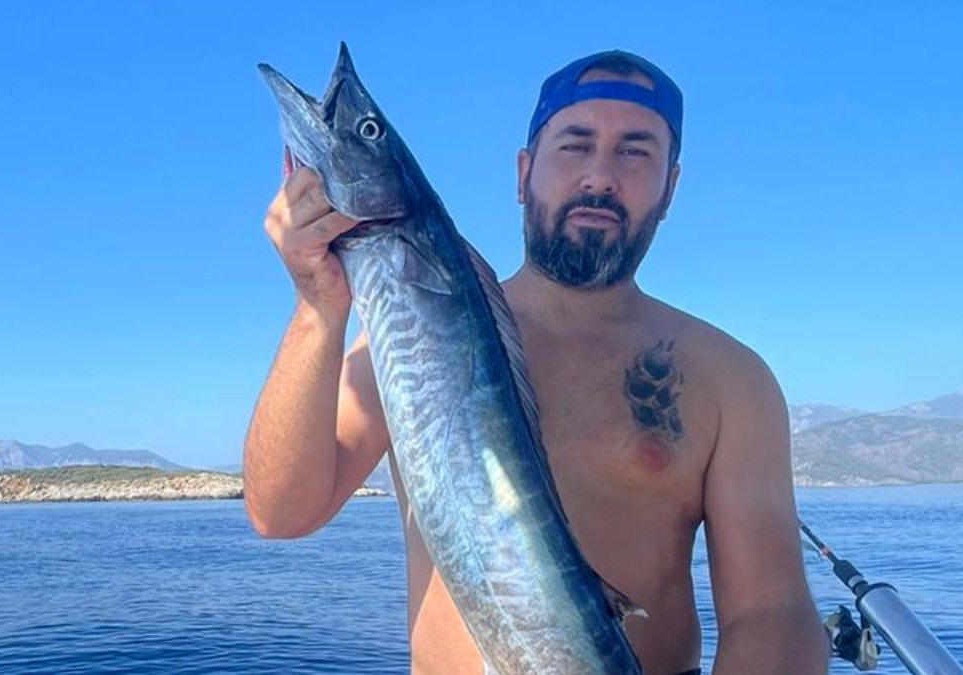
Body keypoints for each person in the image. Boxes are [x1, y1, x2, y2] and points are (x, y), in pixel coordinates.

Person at [243, 49, 828, 675]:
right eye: (575, 146)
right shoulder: (413, 338)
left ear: (670, 189)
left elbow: (770, 612)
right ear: (523, 174)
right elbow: (281, 514)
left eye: (635, 152)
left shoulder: (730, 379)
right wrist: (317, 308)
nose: (600, 176)